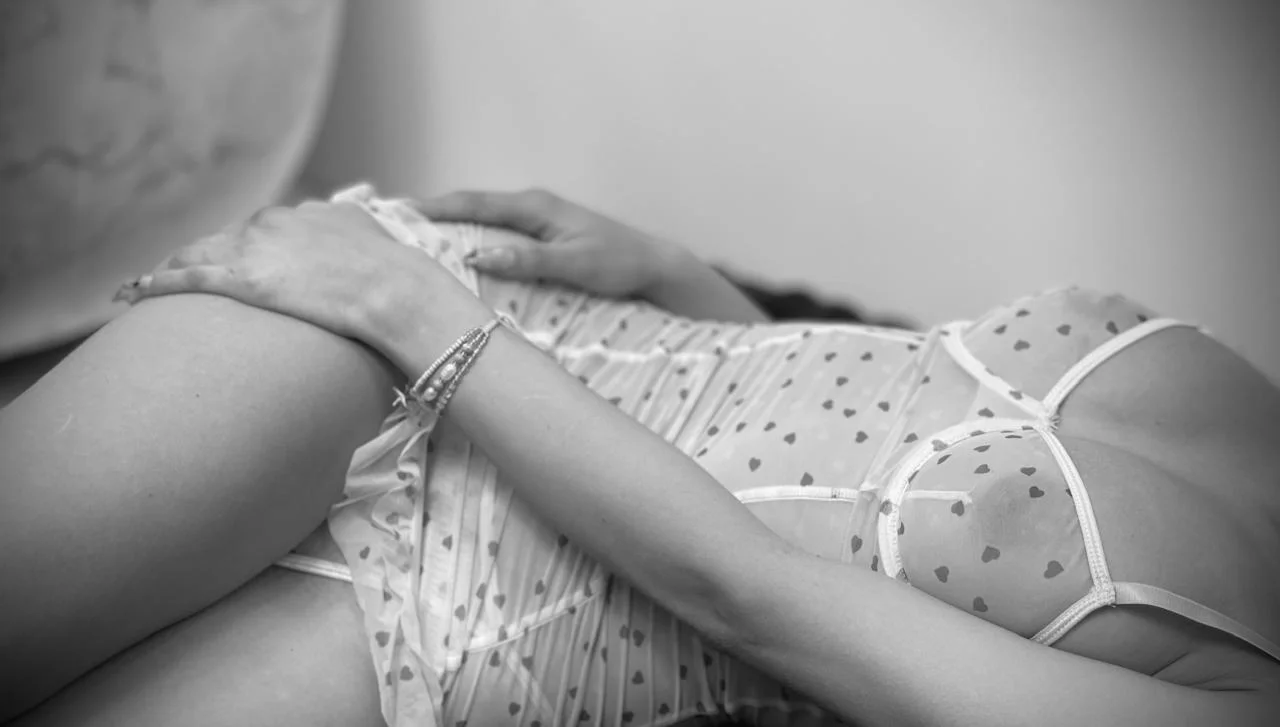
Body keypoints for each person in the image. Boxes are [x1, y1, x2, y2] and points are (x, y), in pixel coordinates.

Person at [1, 185, 1277, 726]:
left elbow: (758, 596)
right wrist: (674, 276)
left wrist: (412, 311)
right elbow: (865, 411)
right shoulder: (1248, 399)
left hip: (449, 625)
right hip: (470, 341)